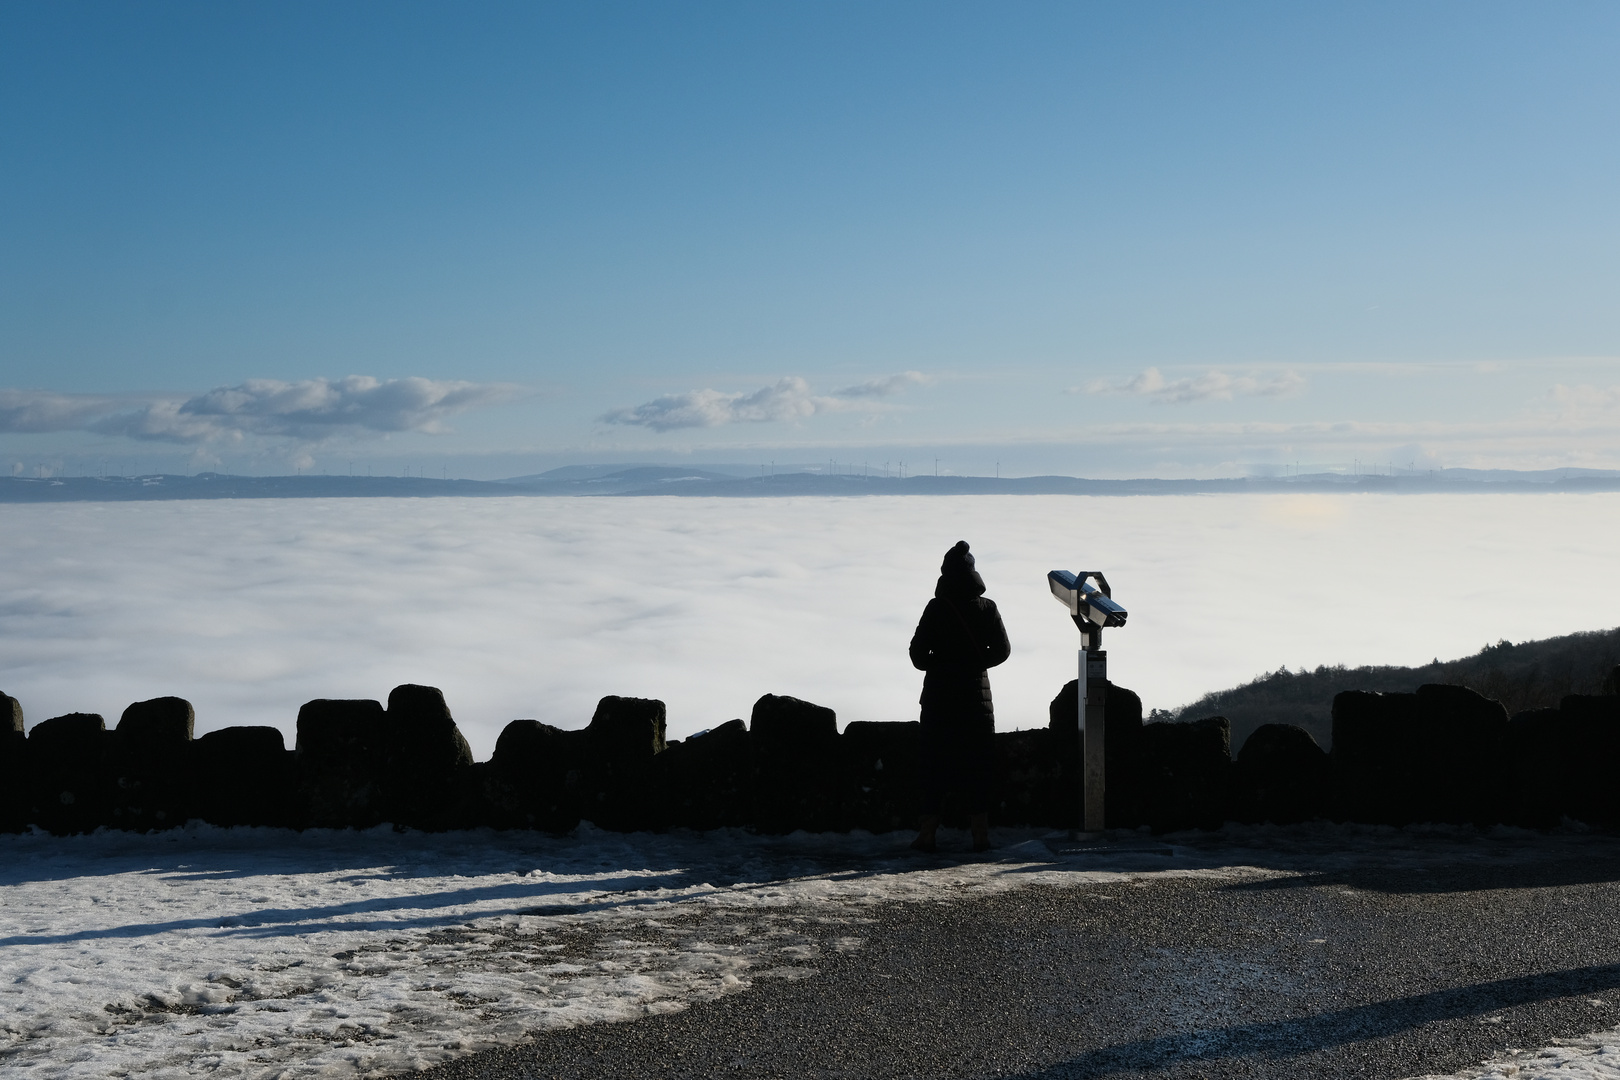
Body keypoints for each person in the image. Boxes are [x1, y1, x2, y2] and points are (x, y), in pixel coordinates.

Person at [908, 540, 1011, 852]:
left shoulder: (936, 608)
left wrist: (939, 665)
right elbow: (1003, 651)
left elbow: (917, 655)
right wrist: (976, 663)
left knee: (933, 765)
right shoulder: (987, 607)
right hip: (976, 701)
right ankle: (980, 834)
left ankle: (927, 834)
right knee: (978, 766)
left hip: (939, 699)